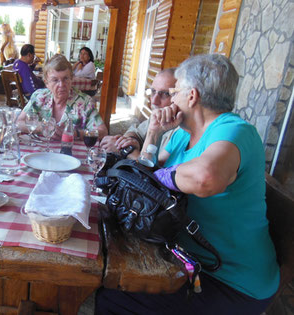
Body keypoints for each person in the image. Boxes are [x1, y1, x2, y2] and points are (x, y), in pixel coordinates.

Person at [95, 54, 279, 314]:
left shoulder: (235, 130)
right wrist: (154, 133)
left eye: (174, 91)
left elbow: (206, 178)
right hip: (188, 261)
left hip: (230, 281)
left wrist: (159, 177)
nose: (170, 99)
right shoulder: (182, 135)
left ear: (191, 96)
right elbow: (143, 176)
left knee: (112, 298)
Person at [17, 54, 108, 140]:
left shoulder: (85, 102)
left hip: (72, 154)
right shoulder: (39, 97)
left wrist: (75, 133)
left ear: (72, 79)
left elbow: (103, 132)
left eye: (66, 79)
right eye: (55, 80)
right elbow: (19, 123)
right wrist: (42, 127)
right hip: (42, 152)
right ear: (47, 83)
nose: (61, 85)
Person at [100, 68, 177, 160]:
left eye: (165, 94)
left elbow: (155, 171)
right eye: (153, 91)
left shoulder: (182, 131)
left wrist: (125, 150)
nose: (154, 101)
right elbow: (136, 132)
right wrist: (129, 142)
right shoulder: (159, 117)